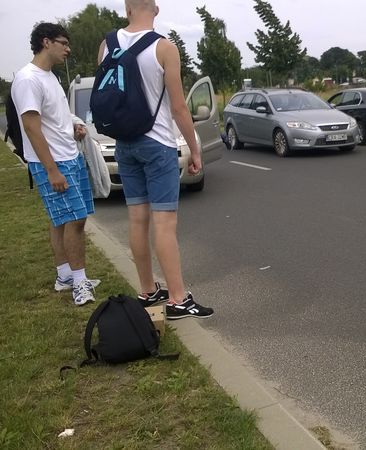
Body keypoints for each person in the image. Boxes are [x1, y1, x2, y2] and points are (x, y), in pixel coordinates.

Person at [97, 0, 213, 319]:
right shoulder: (164, 48)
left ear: (127, 8)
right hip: (157, 142)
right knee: (164, 223)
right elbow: (178, 108)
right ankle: (178, 299)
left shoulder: (106, 44)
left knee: (137, 219)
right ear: (156, 9)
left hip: (124, 143)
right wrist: (195, 148)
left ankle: (148, 290)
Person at [11, 22, 100, 306]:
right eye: (64, 43)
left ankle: (64, 276)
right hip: (53, 162)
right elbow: (31, 126)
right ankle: (79, 283)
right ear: (46, 42)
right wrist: (51, 170)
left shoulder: (50, 77)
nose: (68, 48)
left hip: (69, 155)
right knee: (74, 221)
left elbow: (55, 118)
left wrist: (74, 127)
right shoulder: (28, 79)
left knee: (64, 219)